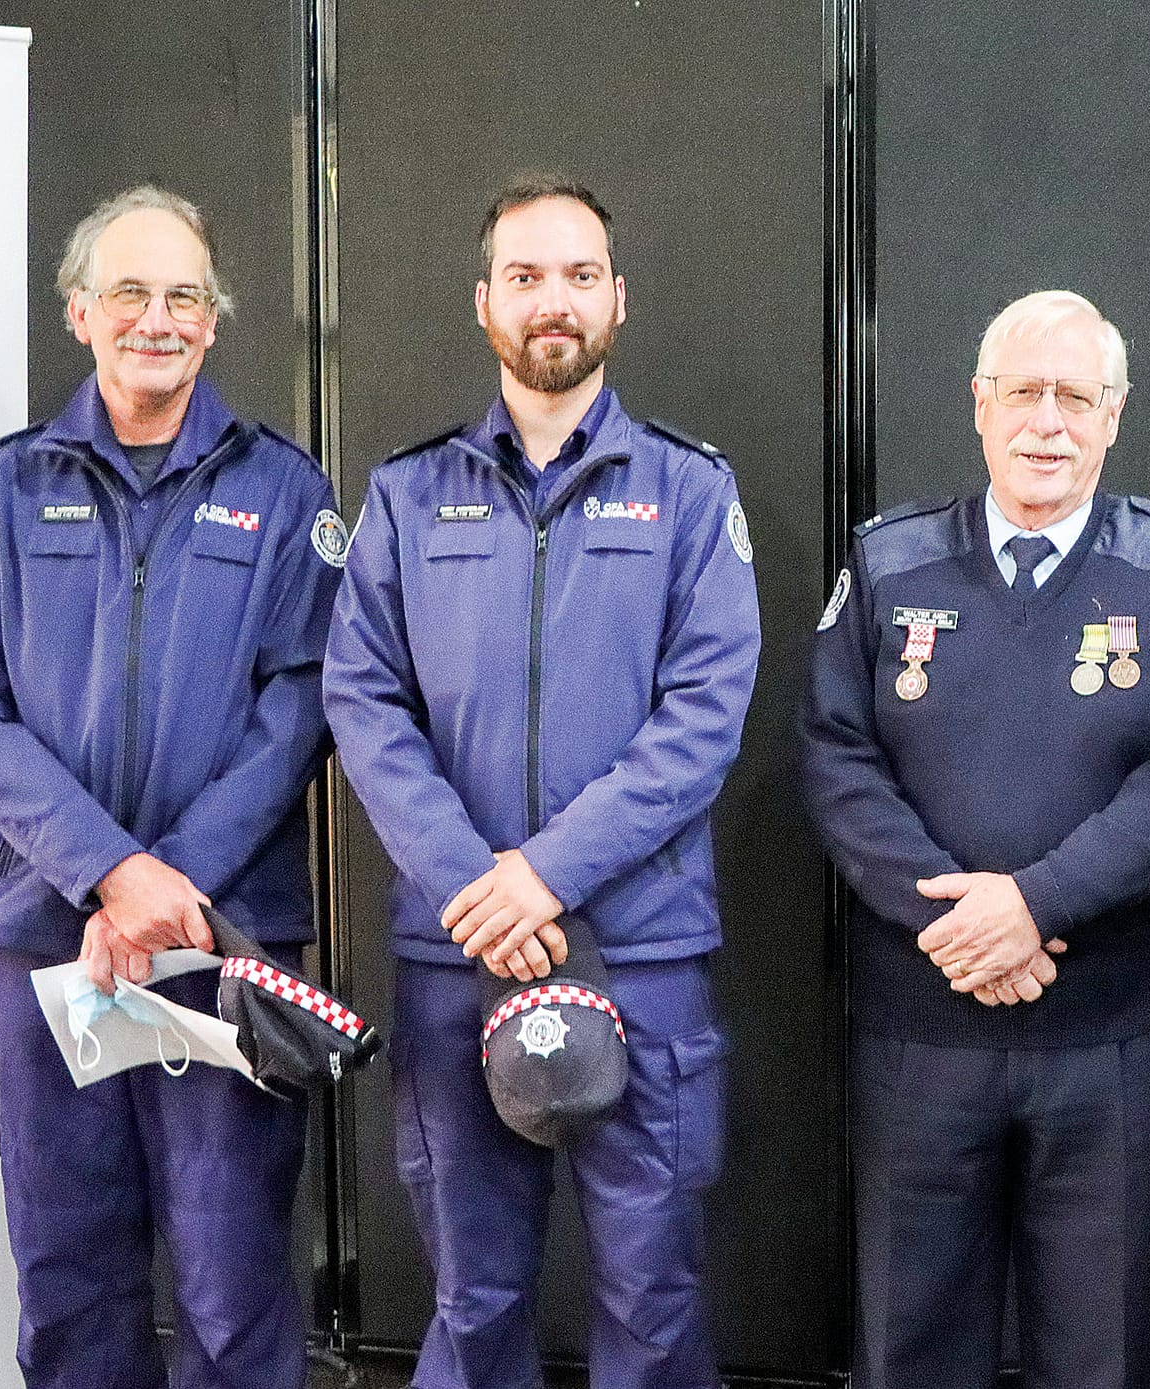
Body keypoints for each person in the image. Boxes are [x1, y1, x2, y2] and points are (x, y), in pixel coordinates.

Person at [322, 174, 759, 1389]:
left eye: (577, 275)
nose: (551, 301)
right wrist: (481, 885)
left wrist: (544, 877)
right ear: (483, 304)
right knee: (472, 1291)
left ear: (616, 299)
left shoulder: (687, 491)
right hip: (455, 947)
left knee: (653, 1292)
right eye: (525, 276)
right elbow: (363, 702)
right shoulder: (408, 495)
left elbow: (702, 717)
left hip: (640, 946)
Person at [0, 186, 343, 1389]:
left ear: (213, 322)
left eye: (185, 297)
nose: (159, 318)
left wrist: (170, 884)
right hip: (44, 939)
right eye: (133, 294)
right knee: (68, 1273)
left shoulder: (287, 491)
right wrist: (110, 871)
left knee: (232, 1273)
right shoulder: (1, 489)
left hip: (219, 935)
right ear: (80, 312)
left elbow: (299, 706)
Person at [800, 289, 1150, 1389]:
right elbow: (833, 757)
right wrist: (955, 922)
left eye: (1075, 397)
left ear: (1113, 416)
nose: (1046, 422)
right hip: (920, 1025)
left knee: (1102, 1348)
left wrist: (1031, 906)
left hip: (1109, 1032)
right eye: (1022, 393)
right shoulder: (887, 562)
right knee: (910, 1341)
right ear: (977, 406)